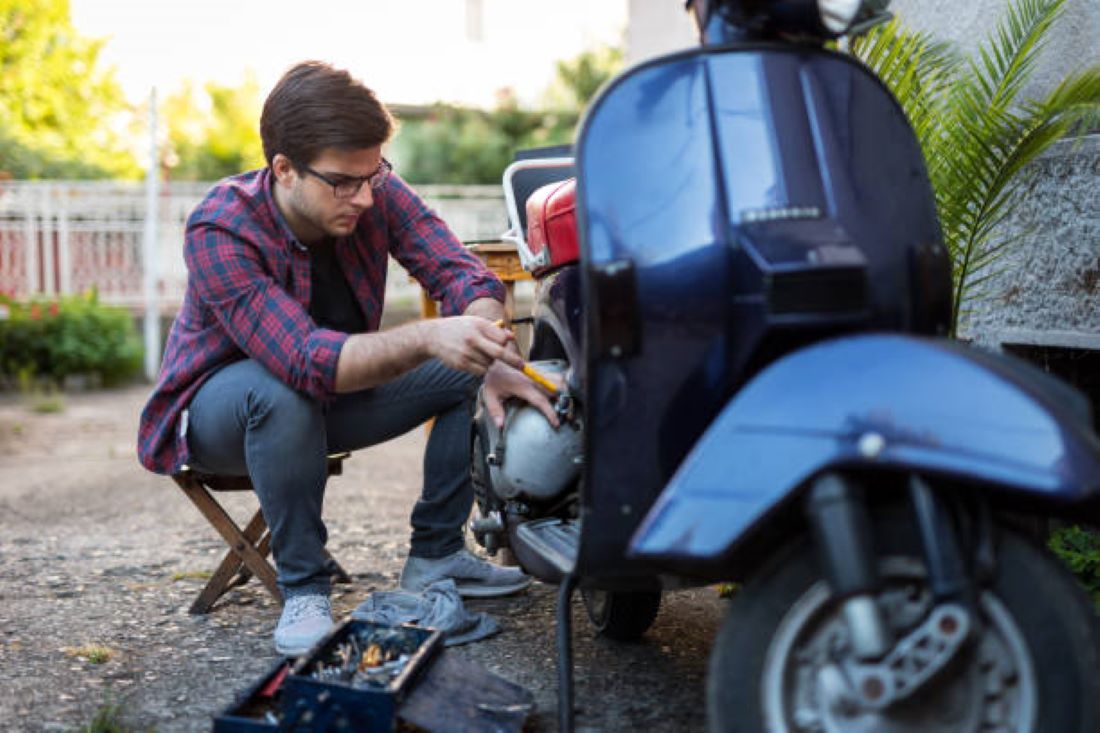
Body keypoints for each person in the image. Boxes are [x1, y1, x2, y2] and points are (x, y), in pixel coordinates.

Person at [137, 60, 557, 656]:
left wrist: (487, 339)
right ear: (283, 168)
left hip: (328, 401)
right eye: (343, 182)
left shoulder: (373, 188)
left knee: (476, 364)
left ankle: (437, 555)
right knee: (279, 389)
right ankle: (304, 586)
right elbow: (302, 359)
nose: (364, 195)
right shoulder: (220, 225)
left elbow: (461, 273)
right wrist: (425, 336)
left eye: (373, 174)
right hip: (219, 416)